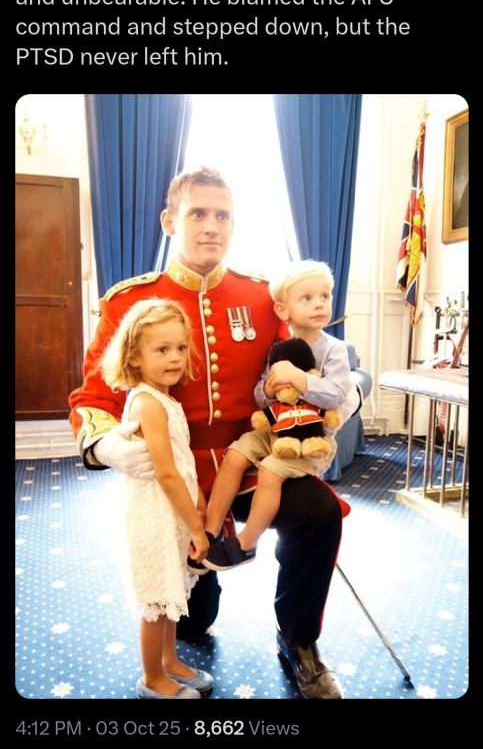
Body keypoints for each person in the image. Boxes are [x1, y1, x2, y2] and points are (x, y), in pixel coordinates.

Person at [69, 166, 347, 699]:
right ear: (170, 221)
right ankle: (191, 603)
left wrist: (340, 392)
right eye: (198, 213)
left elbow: (308, 359)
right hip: (174, 471)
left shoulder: (263, 296)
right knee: (195, 622)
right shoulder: (128, 302)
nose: (212, 226)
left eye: (223, 215)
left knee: (319, 512)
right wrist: (105, 444)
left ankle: (300, 641)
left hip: (251, 460)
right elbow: (92, 398)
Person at [196, 261, 357, 573]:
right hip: (276, 429)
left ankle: (246, 544)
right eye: (307, 298)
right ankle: (212, 529)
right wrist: (268, 389)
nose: (319, 303)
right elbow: (260, 394)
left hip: (311, 439)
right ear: (283, 311)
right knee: (236, 454)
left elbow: (337, 395)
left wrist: (299, 379)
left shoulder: (335, 350)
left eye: (325, 296)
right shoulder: (279, 349)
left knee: (270, 471)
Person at [99, 297, 213, 700]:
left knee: (171, 591)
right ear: (134, 356)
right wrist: (197, 527)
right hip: (154, 515)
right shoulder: (147, 402)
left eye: (180, 347)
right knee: (156, 601)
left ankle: (169, 661)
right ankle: (151, 678)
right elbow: (164, 472)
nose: (175, 358)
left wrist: (198, 496)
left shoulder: (165, 398)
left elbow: (181, 458)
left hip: (172, 512)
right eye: (162, 350)